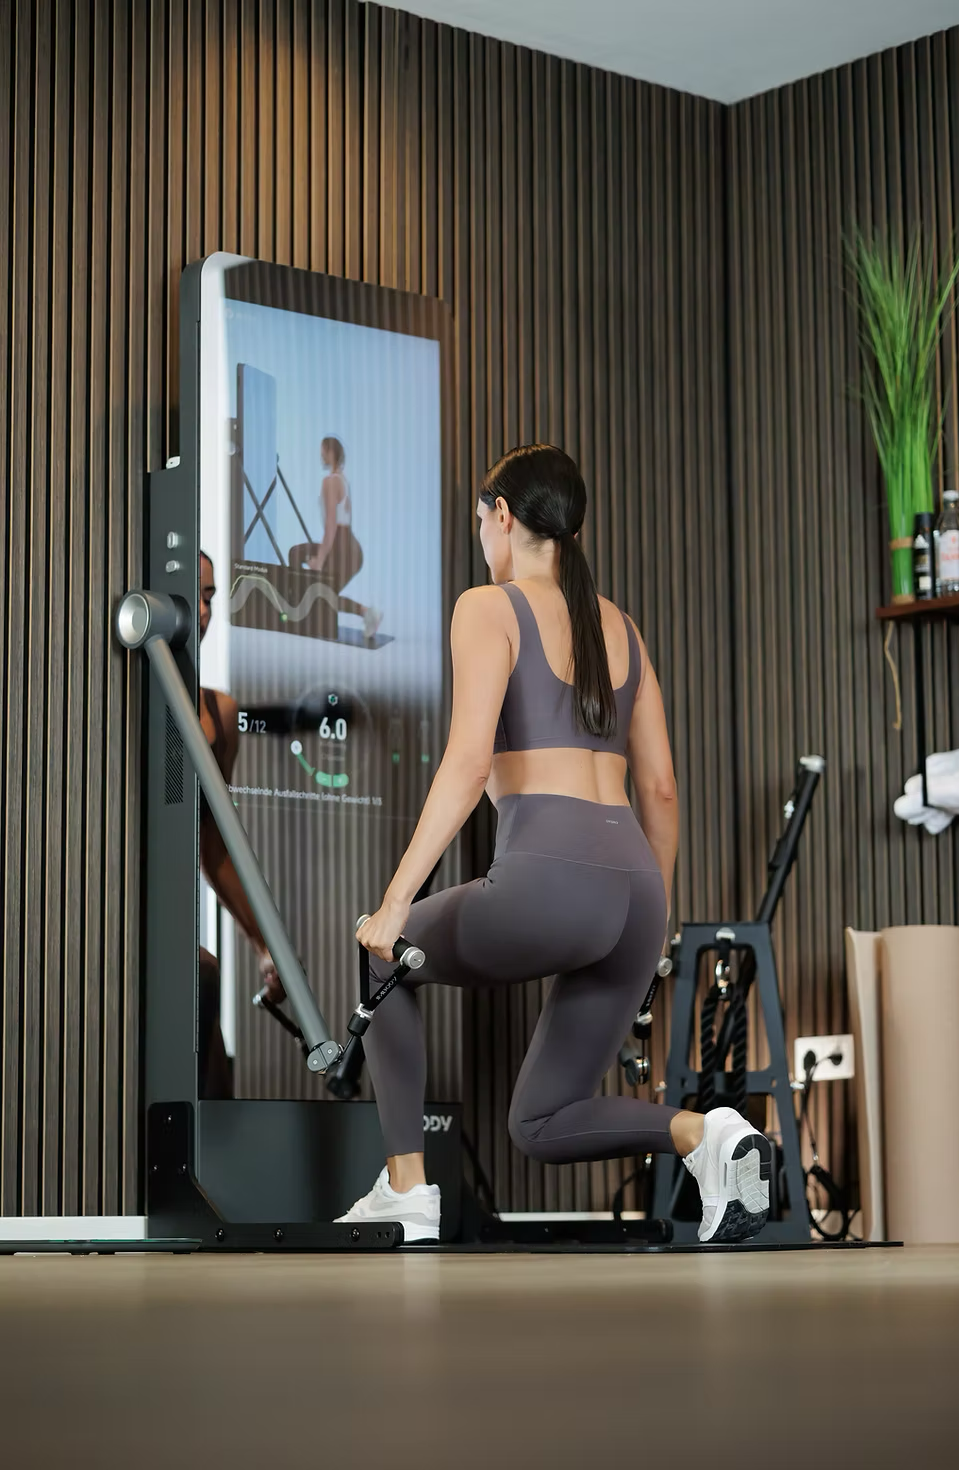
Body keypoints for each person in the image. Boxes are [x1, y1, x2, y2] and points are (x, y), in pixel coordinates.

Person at [342, 445, 771, 1245]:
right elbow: (663, 791)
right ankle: (709, 1139)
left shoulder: (488, 607)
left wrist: (393, 904)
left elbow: (468, 764)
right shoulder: (624, 629)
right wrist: (655, 938)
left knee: (381, 957)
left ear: (503, 516)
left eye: (481, 521)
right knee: (541, 1121)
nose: (482, 538)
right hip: (638, 895)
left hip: (551, 876)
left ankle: (407, 1190)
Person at [197, 551, 283, 1098]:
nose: (203, 611)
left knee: (204, 987)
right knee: (200, 976)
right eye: (194, 594)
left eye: (210, 597)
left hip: (173, 939)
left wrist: (263, 943)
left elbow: (214, 847)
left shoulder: (219, 714)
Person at [287, 436, 383, 643]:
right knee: (297, 555)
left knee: (325, 595)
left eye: (322, 451)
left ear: (330, 452)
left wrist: (320, 560)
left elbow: (331, 525)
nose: (320, 455)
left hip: (342, 547)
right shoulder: (341, 479)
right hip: (346, 545)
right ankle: (302, 607)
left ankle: (367, 613)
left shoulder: (330, 482)